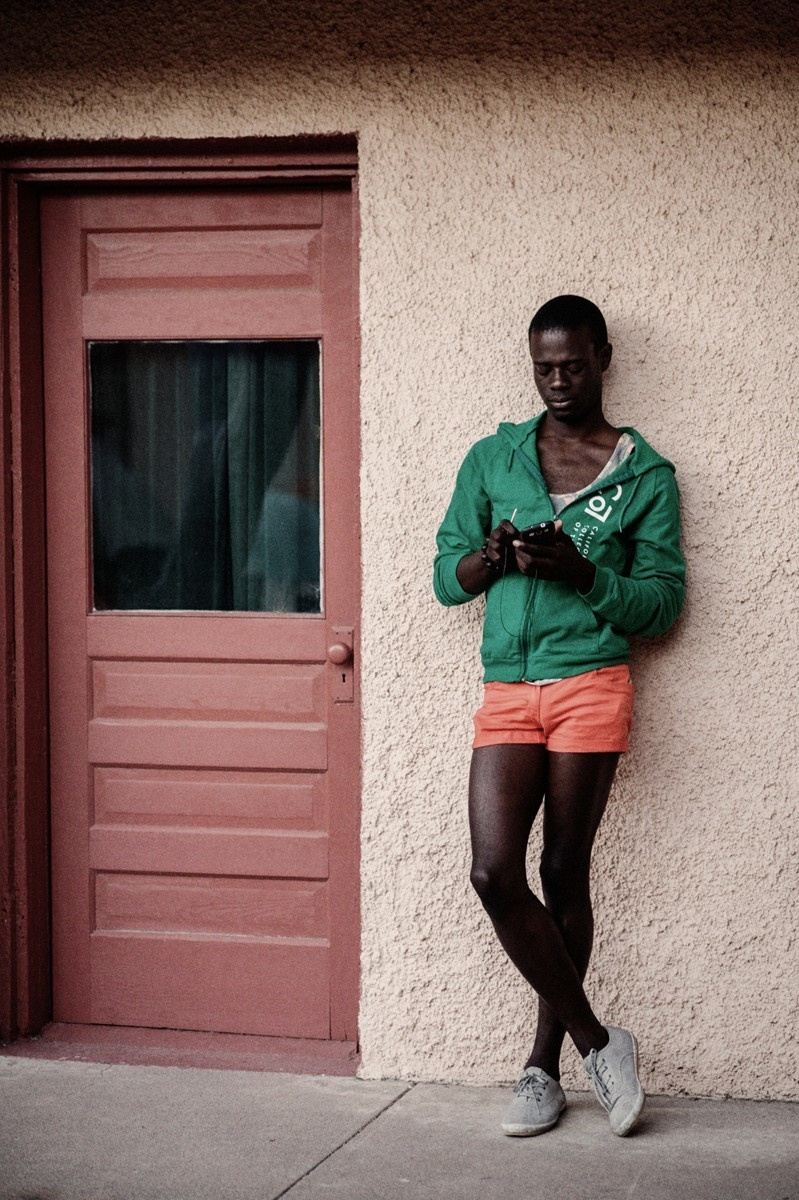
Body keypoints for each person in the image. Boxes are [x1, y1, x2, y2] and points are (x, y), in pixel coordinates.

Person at [433, 295, 685, 1138]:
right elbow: (444, 575)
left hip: (590, 684)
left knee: (561, 871)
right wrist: (488, 559)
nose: (556, 382)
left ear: (602, 357)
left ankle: (540, 1069)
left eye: (571, 365)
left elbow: (661, 605)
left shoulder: (642, 475)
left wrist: (581, 573)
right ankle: (599, 1043)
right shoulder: (492, 456)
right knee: (492, 874)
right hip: (509, 686)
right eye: (542, 367)